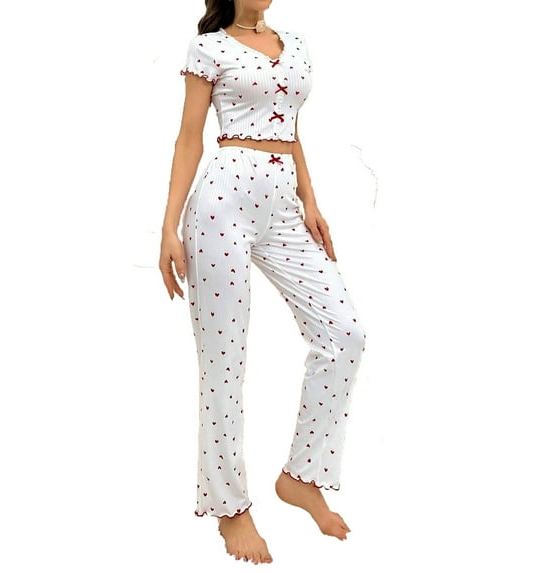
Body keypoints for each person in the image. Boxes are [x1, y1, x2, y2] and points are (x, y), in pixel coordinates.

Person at [159, 0, 367, 564]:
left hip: (283, 207)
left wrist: (310, 200)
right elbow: (189, 138)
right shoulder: (209, 47)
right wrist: (169, 227)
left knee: (344, 335)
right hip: (221, 205)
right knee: (224, 364)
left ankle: (303, 476)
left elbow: (291, 128)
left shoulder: (293, 44)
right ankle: (229, 508)